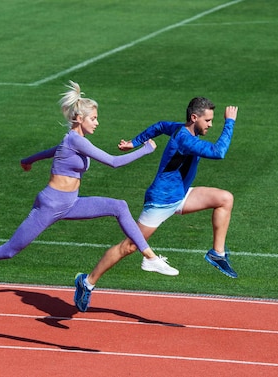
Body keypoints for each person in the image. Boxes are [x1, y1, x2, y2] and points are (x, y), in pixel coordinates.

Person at [0, 81, 174, 312]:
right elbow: (113, 162)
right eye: (93, 118)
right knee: (10, 250)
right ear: (79, 119)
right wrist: (145, 150)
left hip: (71, 203)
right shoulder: (75, 140)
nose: (97, 122)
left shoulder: (73, 141)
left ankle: (149, 257)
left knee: (119, 206)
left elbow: (54, 151)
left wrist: (28, 160)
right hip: (50, 205)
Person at [73, 97, 238, 310]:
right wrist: (230, 122)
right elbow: (218, 152)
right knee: (129, 246)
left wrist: (134, 142)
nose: (210, 125)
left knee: (225, 198)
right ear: (194, 117)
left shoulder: (181, 129)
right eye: (208, 120)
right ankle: (86, 282)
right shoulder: (185, 139)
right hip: (160, 202)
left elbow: (160, 125)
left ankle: (217, 253)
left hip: (180, 195)